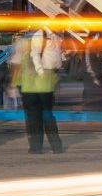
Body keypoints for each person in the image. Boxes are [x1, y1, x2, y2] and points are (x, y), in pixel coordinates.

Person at [17, 18, 66, 154]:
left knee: (46, 113)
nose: (63, 29)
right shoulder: (41, 34)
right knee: (37, 115)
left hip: (48, 78)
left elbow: (55, 56)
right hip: (38, 78)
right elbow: (35, 54)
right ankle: (37, 146)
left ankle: (54, 146)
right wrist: (41, 71)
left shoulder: (57, 36)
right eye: (62, 26)